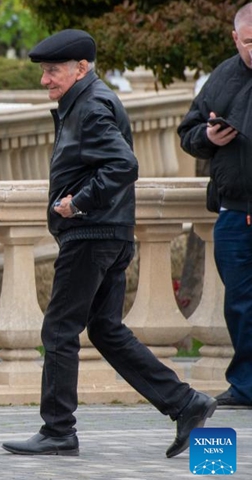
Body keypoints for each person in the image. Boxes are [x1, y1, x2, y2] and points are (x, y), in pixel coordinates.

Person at [1, 29, 216, 459]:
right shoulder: (85, 101)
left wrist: (77, 203)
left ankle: (58, 430)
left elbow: (123, 165)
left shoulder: (92, 105)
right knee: (104, 328)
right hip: (108, 234)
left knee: (60, 330)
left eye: (53, 71)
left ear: (81, 68)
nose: (45, 80)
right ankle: (186, 403)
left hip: (92, 235)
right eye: (44, 72)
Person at [178, 3, 252, 409]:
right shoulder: (222, 76)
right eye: (249, 42)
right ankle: (246, 387)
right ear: (235, 39)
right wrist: (208, 136)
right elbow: (187, 132)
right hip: (233, 214)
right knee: (240, 304)